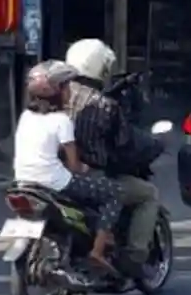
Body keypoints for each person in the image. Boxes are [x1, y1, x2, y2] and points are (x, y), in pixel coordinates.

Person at [62, 38, 161, 277]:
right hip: (89, 177)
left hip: (51, 174)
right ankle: (134, 257)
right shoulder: (105, 105)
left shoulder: (57, 98)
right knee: (148, 194)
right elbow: (124, 148)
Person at [13, 59, 121, 275]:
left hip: (23, 181)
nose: (71, 91)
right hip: (55, 182)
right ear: (57, 91)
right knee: (113, 193)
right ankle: (98, 251)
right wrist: (84, 169)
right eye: (67, 86)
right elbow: (73, 165)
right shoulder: (61, 120)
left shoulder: (25, 117)